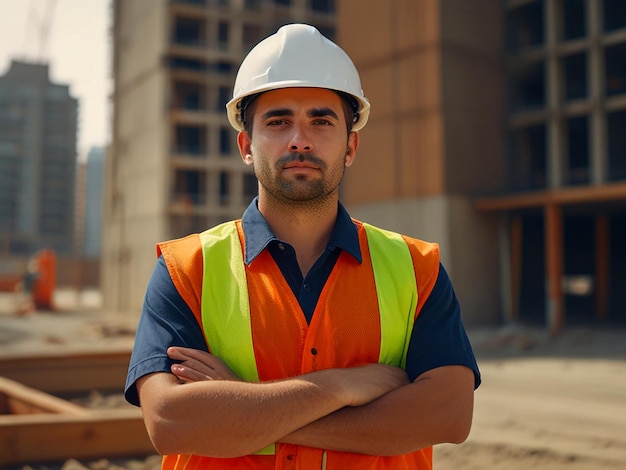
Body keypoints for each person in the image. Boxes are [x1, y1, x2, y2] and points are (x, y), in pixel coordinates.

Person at [125, 23, 481, 469]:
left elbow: (449, 415)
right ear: (246, 146)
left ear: (350, 145)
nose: (300, 139)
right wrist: (340, 388)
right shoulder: (185, 268)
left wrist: (243, 410)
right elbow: (170, 423)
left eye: (321, 120)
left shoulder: (416, 268)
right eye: (278, 122)